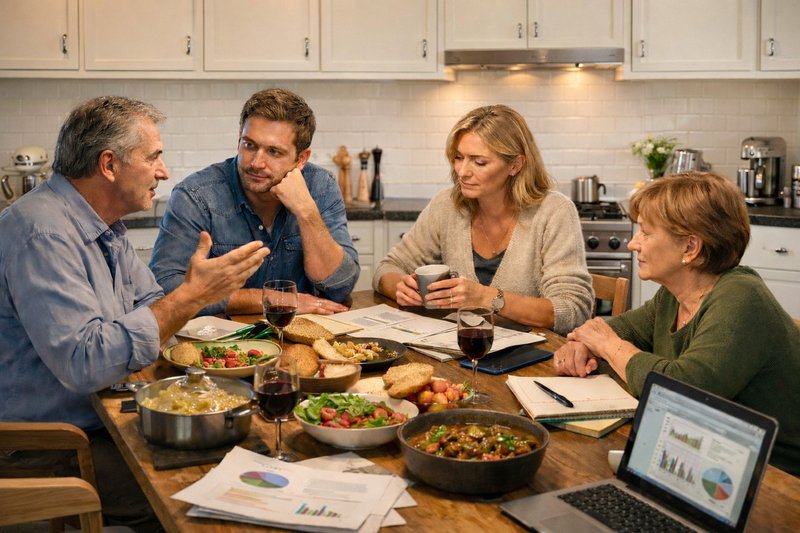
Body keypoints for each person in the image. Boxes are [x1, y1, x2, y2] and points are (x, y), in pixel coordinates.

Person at [0, 96, 270, 530]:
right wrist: (192, 297)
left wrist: (183, 300)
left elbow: (148, 302)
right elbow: (86, 363)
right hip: (47, 444)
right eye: (154, 158)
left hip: (96, 417)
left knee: (244, 456)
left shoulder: (102, 222)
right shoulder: (42, 233)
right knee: (190, 495)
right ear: (109, 165)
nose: (163, 171)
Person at [555, 171, 800, 475]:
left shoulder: (741, 299)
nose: (633, 244)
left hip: (773, 480)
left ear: (690, 248)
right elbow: (620, 329)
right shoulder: (674, 295)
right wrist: (583, 345)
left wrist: (607, 345)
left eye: (645, 232)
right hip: (702, 456)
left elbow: (685, 391)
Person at [372, 104, 593, 335]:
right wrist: (399, 286)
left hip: (534, 361)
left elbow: (572, 310)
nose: (462, 171)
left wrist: (486, 297)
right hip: (459, 353)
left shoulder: (554, 212)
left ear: (515, 165)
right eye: (458, 158)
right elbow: (386, 268)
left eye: (479, 162)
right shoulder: (446, 205)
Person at [150, 88, 359, 316]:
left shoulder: (321, 186)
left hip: (297, 338)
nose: (256, 163)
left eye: (273, 152)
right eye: (249, 145)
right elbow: (165, 288)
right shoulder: (195, 195)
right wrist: (272, 299)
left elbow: (341, 287)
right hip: (219, 341)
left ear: (301, 159)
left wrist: (306, 212)